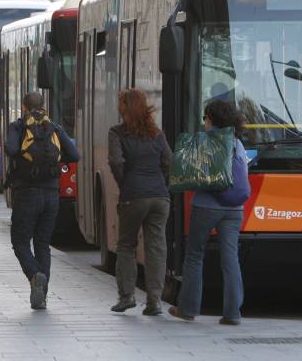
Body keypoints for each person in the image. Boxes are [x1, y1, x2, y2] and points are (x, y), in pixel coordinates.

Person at [170, 100, 250, 325]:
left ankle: (187, 309)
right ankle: (233, 313)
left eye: (205, 118)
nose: (204, 122)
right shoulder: (237, 143)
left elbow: (196, 172)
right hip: (235, 209)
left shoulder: (205, 141)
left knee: (195, 255)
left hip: (206, 206)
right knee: (230, 259)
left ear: (212, 119)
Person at [5, 91, 79, 310]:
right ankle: (41, 297)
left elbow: (11, 149)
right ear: (43, 105)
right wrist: (52, 163)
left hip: (27, 193)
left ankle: (34, 276)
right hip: (51, 194)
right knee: (42, 244)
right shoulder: (54, 127)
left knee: (20, 241)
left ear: (24, 106)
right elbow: (74, 155)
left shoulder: (18, 126)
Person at [107, 88, 172, 316]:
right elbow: (168, 162)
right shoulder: (157, 133)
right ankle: (154, 300)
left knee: (126, 245)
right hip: (160, 196)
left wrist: (126, 183)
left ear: (123, 107)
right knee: (156, 248)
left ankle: (127, 297)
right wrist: (159, 182)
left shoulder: (117, 133)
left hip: (133, 195)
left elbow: (115, 161)